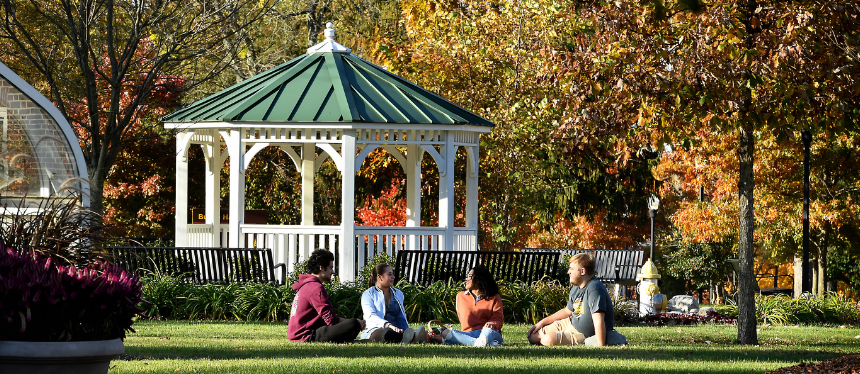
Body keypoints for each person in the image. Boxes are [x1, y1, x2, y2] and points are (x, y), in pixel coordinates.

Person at [527, 253, 627, 347]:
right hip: (570, 323)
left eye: (571, 269)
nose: (568, 272)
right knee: (533, 337)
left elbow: (598, 321)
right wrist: (542, 322)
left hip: (583, 333)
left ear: (583, 271)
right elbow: (567, 311)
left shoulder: (595, 289)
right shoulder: (576, 287)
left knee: (547, 340)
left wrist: (600, 347)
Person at [288, 250, 365, 343]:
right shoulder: (315, 287)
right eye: (331, 267)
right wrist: (357, 323)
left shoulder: (306, 285)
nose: (332, 272)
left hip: (299, 333)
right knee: (353, 324)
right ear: (321, 268)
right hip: (306, 335)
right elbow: (331, 320)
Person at [433, 265, 504, 347]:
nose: (466, 279)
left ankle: (480, 342)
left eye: (470, 277)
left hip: (489, 332)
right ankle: (482, 344)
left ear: (480, 280)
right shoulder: (460, 296)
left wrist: (491, 324)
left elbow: (498, 320)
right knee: (446, 332)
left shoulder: (494, 297)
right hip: (468, 334)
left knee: (488, 332)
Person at [360, 263, 425, 343]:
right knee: (387, 333)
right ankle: (409, 338)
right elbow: (371, 316)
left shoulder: (398, 293)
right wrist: (389, 325)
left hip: (397, 330)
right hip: (375, 329)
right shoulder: (368, 294)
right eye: (389, 274)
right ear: (379, 277)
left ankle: (408, 337)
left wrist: (405, 329)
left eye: (393, 274)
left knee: (423, 334)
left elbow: (401, 317)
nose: (393, 277)